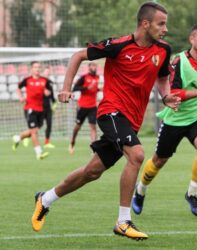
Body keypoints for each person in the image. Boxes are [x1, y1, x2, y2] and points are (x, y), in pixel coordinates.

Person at [31, 2, 180, 241]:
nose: (165, 29)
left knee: (92, 172)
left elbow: (162, 77)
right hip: (111, 112)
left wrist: (166, 95)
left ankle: (45, 199)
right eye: (161, 24)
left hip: (131, 121)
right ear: (145, 23)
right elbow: (78, 55)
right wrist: (66, 88)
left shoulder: (163, 50)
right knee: (138, 155)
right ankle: (123, 221)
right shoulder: (118, 45)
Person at [132, 23, 197, 217]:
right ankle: (140, 190)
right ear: (192, 39)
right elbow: (173, 93)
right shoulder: (178, 61)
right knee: (160, 160)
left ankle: (192, 194)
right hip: (175, 119)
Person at [12, 61, 52, 160]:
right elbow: (18, 88)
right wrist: (21, 97)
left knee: (34, 130)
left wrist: (48, 92)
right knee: (34, 131)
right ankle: (39, 153)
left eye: (39, 67)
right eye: (35, 67)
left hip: (41, 109)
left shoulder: (45, 80)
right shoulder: (27, 80)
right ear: (32, 69)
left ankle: (18, 137)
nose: (37, 69)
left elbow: (49, 91)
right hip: (30, 108)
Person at [68, 62, 99, 154]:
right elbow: (75, 88)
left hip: (93, 106)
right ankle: (72, 142)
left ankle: (93, 149)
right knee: (77, 127)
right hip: (82, 106)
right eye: (92, 66)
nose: (94, 68)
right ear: (89, 68)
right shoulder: (84, 77)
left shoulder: (97, 77)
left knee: (93, 127)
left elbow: (93, 89)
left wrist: (98, 89)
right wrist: (86, 88)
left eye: (95, 66)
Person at [42, 79, 57, 149]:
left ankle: (47, 142)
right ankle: (26, 136)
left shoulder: (50, 86)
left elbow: (52, 98)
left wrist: (55, 104)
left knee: (49, 124)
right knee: (37, 126)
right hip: (39, 108)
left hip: (48, 109)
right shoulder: (39, 85)